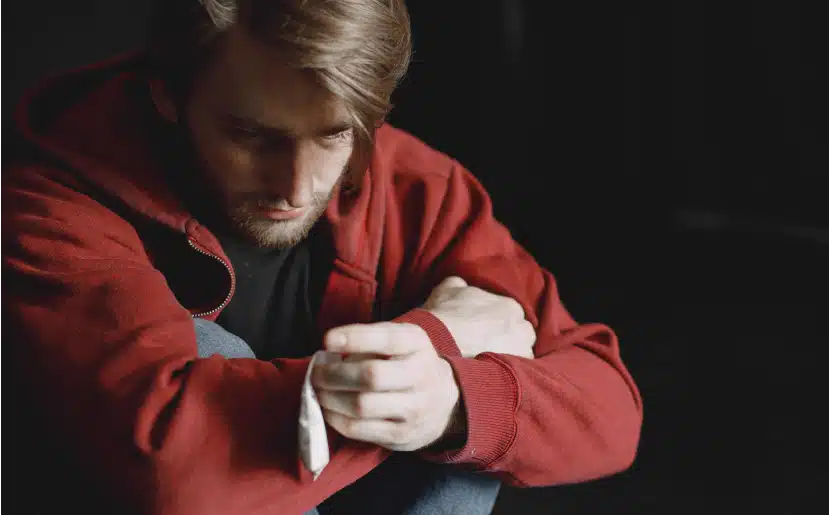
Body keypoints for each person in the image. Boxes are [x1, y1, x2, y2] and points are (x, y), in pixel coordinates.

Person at [2, 0, 643, 513]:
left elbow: (609, 413)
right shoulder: (54, 206)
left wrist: (448, 402)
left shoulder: (418, 188)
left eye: (335, 133)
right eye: (251, 135)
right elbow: (174, 476)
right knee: (214, 359)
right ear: (167, 96)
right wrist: (437, 339)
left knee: (466, 421)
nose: (298, 185)